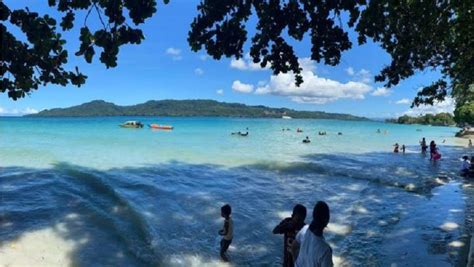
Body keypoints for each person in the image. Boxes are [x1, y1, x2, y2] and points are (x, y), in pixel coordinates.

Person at [290, 201, 333, 267]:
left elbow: (293, 247)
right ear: (327, 220)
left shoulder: (304, 229)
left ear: (313, 216)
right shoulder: (325, 250)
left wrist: (296, 263)